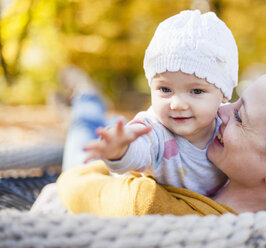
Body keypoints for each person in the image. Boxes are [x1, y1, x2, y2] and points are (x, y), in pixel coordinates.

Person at [53, 67, 266, 216]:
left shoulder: (150, 205)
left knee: (88, 130)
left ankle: (85, 97)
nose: (221, 110)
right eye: (236, 101)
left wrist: (112, 155)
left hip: (98, 161)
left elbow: (73, 182)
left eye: (241, 117)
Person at [81, 10, 238, 196]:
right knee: (81, 153)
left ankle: (88, 101)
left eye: (196, 91)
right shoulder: (153, 129)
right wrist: (120, 149)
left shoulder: (229, 128)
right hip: (106, 174)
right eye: (165, 90)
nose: (177, 104)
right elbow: (139, 148)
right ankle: (84, 99)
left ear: (223, 95)